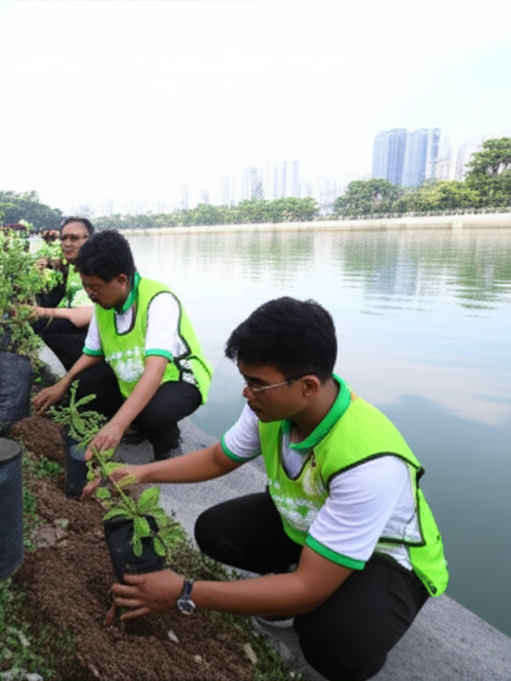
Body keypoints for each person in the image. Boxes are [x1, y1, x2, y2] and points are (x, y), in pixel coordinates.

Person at [93, 297, 448, 681]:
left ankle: (363, 611)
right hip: (315, 521)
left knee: (332, 644)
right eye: (246, 381)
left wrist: (186, 590)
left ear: (308, 386)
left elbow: (309, 588)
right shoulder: (272, 407)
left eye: (257, 385)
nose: (247, 394)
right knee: (215, 532)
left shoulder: (369, 461)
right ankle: (303, 573)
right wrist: (140, 474)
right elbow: (217, 459)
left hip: (387, 554)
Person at [32, 230, 212, 460]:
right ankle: (135, 421)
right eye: (86, 286)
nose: (89, 294)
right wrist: (63, 384)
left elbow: (155, 371)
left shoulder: (158, 300)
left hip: (176, 379)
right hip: (134, 373)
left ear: (122, 280)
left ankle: (168, 444)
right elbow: (92, 353)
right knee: (82, 384)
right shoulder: (102, 306)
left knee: (154, 413)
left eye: (95, 287)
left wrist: (117, 425)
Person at [29, 216, 95, 370]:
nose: (67, 244)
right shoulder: (72, 267)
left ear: (89, 239)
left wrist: (40, 312)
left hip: (89, 332)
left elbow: (89, 316)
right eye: (64, 238)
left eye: (74, 238)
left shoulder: (95, 269)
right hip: (74, 323)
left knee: (43, 326)